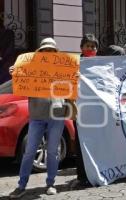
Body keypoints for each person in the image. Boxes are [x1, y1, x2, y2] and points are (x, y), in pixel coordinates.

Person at [9, 38, 70, 198]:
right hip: (36, 116)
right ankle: (21, 186)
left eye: (51, 50)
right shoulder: (30, 69)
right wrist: (16, 74)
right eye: (45, 50)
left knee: (52, 152)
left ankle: (51, 184)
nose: (48, 53)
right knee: (29, 152)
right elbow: (21, 88)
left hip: (56, 116)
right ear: (40, 52)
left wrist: (74, 76)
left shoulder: (63, 69)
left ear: (55, 53)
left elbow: (70, 87)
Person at [69, 33, 99, 190]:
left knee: (97, 142)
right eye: (88, 46)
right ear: (81, 48)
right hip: (80, 111)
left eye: (94, 46)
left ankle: (96, 173)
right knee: (81, 145)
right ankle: (82, 177)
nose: (91, 49)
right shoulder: (73, 64)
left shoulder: (101, 65)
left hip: (98, 113)